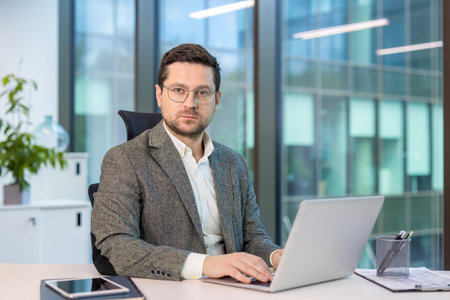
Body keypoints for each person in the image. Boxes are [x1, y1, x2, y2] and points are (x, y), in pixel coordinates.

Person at [91, 43, 283, 283]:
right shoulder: (125, 160)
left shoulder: (234, 163)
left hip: (236, 288)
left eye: (202, 92)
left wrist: (276, 255)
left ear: (217, 99)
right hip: (172, 289)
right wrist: (206, 264)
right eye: (179, 90)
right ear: (160, 95)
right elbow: (115, 245)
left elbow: (252, 237)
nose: (190, 103)